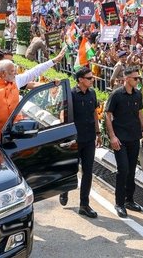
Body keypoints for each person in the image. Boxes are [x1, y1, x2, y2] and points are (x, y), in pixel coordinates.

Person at [0, 50, 64, 139]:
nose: (15, 73)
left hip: (17, 133)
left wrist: (54, 61)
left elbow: (34, 71)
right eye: (12, 71)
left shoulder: (16, 80)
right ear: (3, 73)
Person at [104, 65, 143, 218]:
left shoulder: (137, 95)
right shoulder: (116, 95)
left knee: (131, 171)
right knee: (123, 170)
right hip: (120, 139)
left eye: (139, 78)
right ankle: (119, 203)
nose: (138, 81)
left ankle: (129, 200)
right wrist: (112, 137)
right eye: (135, 78)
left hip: (134, 138)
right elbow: (108, 115)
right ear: (127, 78)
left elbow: (140, 113)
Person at [59, 66, 99, 217]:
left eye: (92, 77)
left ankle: (84, 204)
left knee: (88, 172)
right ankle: (64, 189)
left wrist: (98, 132)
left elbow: (95, 113)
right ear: (80, 80)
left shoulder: (92, 93)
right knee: (71, 169)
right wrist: (66, 135)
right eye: (89, 78)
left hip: (89, 139)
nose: (92, 80)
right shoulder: (70, 94)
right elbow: (63, 114)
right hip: (74, 139)